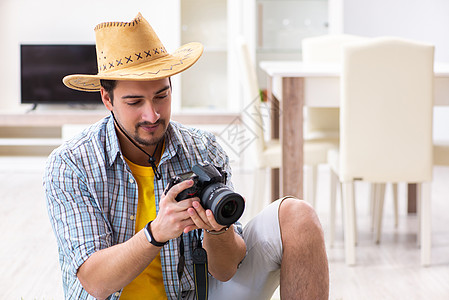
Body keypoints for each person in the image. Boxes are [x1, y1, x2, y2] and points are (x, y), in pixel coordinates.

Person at [44, 13, 329, 300]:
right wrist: (156, 232)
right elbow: (96, 283)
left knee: (298, 217)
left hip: (196, 294)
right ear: (108, 99)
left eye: (161, 96)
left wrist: (218, 232)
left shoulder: (203, 149)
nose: (152, 115)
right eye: (134, 102)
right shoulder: (72, 164)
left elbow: (226, 270)